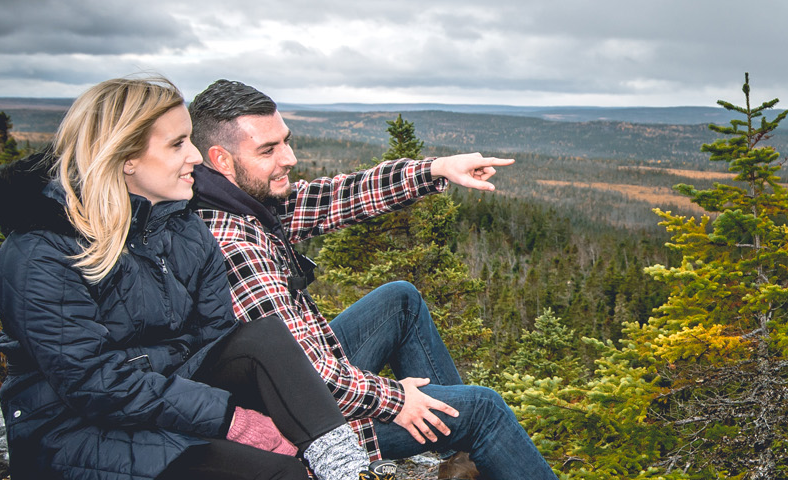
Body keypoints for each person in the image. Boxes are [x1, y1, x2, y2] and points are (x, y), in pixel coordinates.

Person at [0, 75, 395, 480]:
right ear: (126, 157)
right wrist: (231, 420)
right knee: (280, 472)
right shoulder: (41, 252)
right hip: (76, 431)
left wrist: (271, 413)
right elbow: (95, 384)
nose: (196, 157)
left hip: (169, 398)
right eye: (178, 144)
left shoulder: (184, 229)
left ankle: (348, 469)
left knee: (262, 339)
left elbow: (217, 342)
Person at [185, 79, 553, 479]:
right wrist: (397, 400)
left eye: (286, 141)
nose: (289, 158)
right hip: (299, 429)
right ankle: (462, 428)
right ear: (221, 160)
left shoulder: (242, 204)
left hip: (295, 386)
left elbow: (336, 197)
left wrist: (434, 169)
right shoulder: (233, 245)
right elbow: (312, 379)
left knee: (400, 301)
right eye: (268, 150)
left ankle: (454, 442)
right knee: (482, 408)